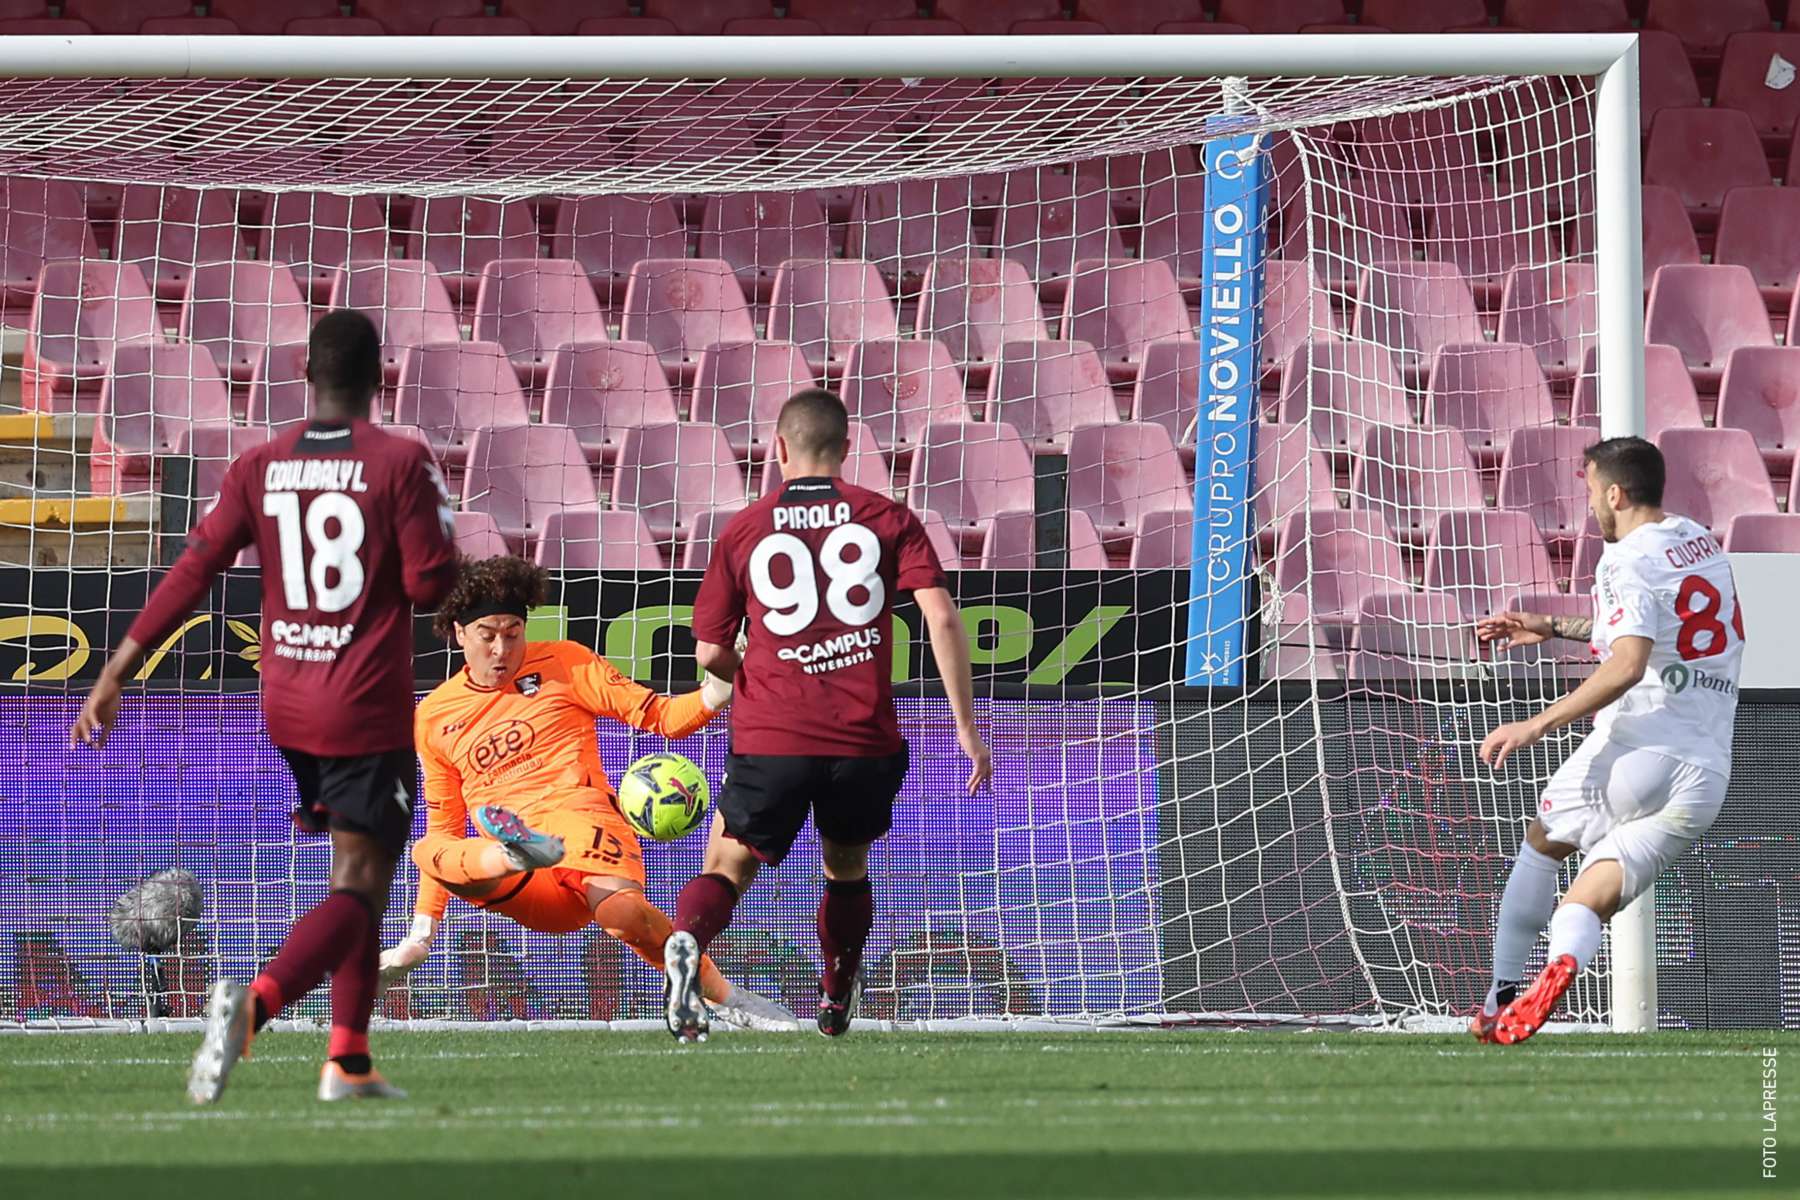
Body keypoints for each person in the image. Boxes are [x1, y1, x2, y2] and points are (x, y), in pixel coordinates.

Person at [69, 309, 459, 1101]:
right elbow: (427, 585)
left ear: (305, 379)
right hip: (363, 706)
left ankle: (347, 1059)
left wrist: (117, 668)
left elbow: (195, 567)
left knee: (356, 871)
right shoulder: (401, 462)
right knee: (361, 885)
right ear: (380, 378)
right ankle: (256, 1005)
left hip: (287, 704)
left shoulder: (260, 464)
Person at [662, 388, 991, 1042]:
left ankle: (687, 943)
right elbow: (942, 617)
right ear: (845, 449)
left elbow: (708, 651)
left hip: (772, 736)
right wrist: (967, 729)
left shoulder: (744, 530)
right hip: (861, 739)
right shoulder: (888, 517)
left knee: (727, 866)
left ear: (776, 449)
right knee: (846, 867)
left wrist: (746, 672)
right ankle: (838, 985)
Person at [377, 555, 797, 1031]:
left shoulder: (565, 662)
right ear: (459, 633)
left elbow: (657, 716)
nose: (501, 648)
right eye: (487, 635)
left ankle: (724, 998)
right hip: (523, 878)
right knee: (430, 849)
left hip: (582, 822)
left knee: (622, 915)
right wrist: (420, 937)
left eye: (513, 632)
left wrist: (716, 693)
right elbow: (446, 825)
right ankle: (514, 853)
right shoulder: (434, 715)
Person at [1473, 436, 1743, 1045]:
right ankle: (1563, 962)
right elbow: (1656, 625)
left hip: (1639, 746)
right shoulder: (1699, 540)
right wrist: (1551, 626)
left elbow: (1627, 662)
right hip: (1705, 773)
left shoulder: (1621, 560)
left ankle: (1502, 994)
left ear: (1615, 494)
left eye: (1592, 490)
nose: (1590, 502)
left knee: (1544, 843)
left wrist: (1535, 723)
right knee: (1587, 900)